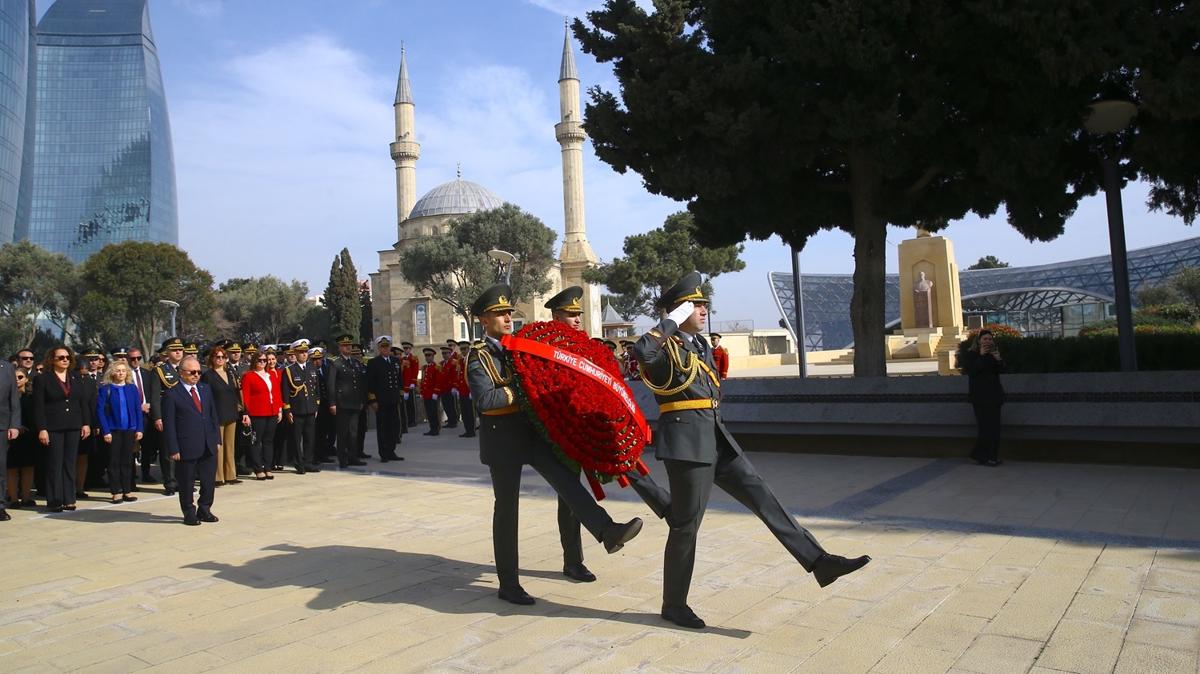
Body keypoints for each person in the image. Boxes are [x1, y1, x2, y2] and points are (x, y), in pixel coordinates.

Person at [634, 272, 870, 629]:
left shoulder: (699, 346)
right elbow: (642, 351)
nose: (703, 310)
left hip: (717, 438)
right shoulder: (665, 345)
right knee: (686, 526)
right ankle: (674, 603)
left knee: (764, 498)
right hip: (688, 445)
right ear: (678, 311)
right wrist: (670, 320)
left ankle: (819, 561)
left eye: (703, 304)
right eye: (695, 306)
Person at [468, 284, 644, 605]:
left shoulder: (521, 347)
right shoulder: (479, 355)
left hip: (532, 435)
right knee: (507, 510)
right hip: (502, 439)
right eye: (499, 314)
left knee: (568, 484)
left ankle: (607, 532)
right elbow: (486, 400)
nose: (508, 318)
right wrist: (524, 391)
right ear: (483, 319)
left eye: (509, 312)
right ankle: (509, 583)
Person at [545, 286, 673, 582]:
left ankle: (666, 506)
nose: (577, 319)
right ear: (556, 315)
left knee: (625, 456)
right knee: (570, 496)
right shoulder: (549, 345)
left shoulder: (585, 343)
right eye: (570, 314)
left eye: (579, 314)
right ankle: (573, 561)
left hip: (593, 421)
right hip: (565, 428)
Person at [32, 345, 92, 512]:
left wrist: (86, 423)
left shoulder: (75, 377)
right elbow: (38, 407)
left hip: (73, 425)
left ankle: (69, 498)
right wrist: (42, 428)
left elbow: (82, 402)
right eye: (60, 357)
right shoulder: (43, 379)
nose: (65, 360)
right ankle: (54, 499)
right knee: (54, 463)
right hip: (53, 427)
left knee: (69, 463)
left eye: (67, 357)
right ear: (52, 359)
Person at [162, 356, 221, 525]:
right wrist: (173, 449)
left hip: (208, 443)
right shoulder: (172, 394)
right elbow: (170, 425)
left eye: (198, 372)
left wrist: (216, 438)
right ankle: (189, 512)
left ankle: (205, 509)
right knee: (187, 482)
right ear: (181, 373)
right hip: (186, 445)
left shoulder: (205, 389)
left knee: (209, 481)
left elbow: (212, 416)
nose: (196, 375)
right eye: (192, 372)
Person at [95, 360, 143, 503]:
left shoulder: (132, 388)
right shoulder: (106, 389)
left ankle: (127, 490)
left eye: (123, 370)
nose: (121, 373)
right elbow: (100, 411)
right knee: (114, 461)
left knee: (127, 461)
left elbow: (137, 409)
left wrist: (139, 428)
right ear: (112, 373)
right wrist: (106, 431)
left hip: (129, 429)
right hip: (113, 430)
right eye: (118, 370)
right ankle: (115, 491)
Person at [201, 347, 247, 485]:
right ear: (212, 359)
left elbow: (237, 392)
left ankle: (230, 475)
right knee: (218, 447)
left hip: (231, 413)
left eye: (222, 357)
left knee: (230, 446)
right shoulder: (208, 375)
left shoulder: (230, 372)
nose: (220, 360)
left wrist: (243, 411)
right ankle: (218, 476)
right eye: (217, 357)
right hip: (217, 415)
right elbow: (205, 397)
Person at [961, 329, 1006, 467]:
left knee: (995, 429)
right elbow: (971, 371)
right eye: (985, 339)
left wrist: (998, 360)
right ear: (979, 341)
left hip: (994, 396)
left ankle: (991, 456)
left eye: (990, 339)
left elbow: (1002, 370)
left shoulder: (994, 355)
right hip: (980, 397)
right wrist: (980, 356)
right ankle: (982, 455)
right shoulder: (971, 355)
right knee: (985, 428)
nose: (987, 341)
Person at [146, 337, 185, 495]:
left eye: (180, 349)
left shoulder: (187, 368)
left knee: (183, 448)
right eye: (175, 350)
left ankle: (181, 480)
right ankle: (169, 482)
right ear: (168, 352)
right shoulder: (160, 370)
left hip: (183, 415)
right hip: (167, 414)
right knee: (168, 450)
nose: (178, 352)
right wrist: (157, 417)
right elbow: (155, 396)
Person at [281, 339, 322, 474]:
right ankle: (299, 463)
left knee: (310, 437)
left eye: (305, 352)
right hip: (296, 409)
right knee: (296, 438)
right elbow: (286, 391)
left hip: (310, 408)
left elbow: (316, 389)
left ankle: (308, 462)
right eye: (301, 352)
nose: (304, 354)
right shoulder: (289, 370)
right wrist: (287, 409)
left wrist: (316, 405)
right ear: (295, 353)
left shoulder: (312, 367)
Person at [327, 335, 367, 468]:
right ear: (339, 348)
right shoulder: (336, 363)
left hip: (354, 402)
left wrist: (361, 400)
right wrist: (332, 403)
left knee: (353, 433)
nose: (348, 347)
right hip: (342, 404)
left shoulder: (355, 363)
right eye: (345, 345)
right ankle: (342, 459)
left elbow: (359, 383)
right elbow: (331, 385)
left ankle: (352, 457)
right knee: (343, 433)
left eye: (349, 345)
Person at [241, 349, 282, 480]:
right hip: (257, 413)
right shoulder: (249, 376)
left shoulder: (271, 375)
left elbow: (276, 393)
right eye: (260, 360)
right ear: (255, 361)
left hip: (272, 411)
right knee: (256, 441)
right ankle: (258, 468)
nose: (263, 363)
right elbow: (245, 396)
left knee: (269, 441)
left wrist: (279, 409)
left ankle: (268, 467)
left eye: (265, 360)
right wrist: (246, 413)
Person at [366, 336, 404, 461]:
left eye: (387, 346)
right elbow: (370, 383)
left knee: (393, 426)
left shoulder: (395, 361)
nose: (385, 349)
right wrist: (373, 400)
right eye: (383, 346)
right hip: (381, 401)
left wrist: (400, 394)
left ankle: (391, 451)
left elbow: (399, 379)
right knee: (383, 428)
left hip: (393, 399)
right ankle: (384, 453)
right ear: (378, 348)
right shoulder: (374, 363)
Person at [7, 369, 36, 510]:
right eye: (15, 377)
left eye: (20, 377)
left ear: (26, 379)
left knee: (28, 467)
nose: (17, 379)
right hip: (10, 436)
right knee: (11, 468)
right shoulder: (5, 396)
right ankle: (13, 499)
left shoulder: (31, 397)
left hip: (28, 437)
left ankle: (26, 497)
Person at [0, 354, 21, 520]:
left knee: (1, 468)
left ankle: (0, 505)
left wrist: (14, 425)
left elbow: (13, 398)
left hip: (2, 425)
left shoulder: (6, 368)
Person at [419, 347, 442, 436]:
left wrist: (436, 392)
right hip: (426, 394)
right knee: (428, 412)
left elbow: (438, 381)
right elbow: (423, 380)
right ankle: (432, 428)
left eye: (429, 355)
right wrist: (421, 392)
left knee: (434, 412)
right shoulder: (425, 368)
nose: (427, 357)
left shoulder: (437, 367)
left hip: (433, 394)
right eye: (426, 355)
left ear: (433, 356)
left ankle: (436, 428)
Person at [455, 341, 475, 438]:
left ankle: (471, 430)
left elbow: (473, 376)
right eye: (461, 349)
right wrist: (458, 389)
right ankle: (467, 430)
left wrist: (472, 390)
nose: (463, 351)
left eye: (465, 349)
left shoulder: (471, 360)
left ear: (468, 349)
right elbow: (459, 376)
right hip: (462, 390)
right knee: (464, 412)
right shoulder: (460, 360)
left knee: (470, 411)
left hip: (469, 390)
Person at [440, 341, 461, 429]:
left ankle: (453, 421)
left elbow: (455, 375)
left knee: (451, 405)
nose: (444, 355)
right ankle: (450, 420)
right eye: (443, 353)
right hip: (444, 388)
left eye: (446, 353)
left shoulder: (453, 362)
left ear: (450, 353)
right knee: (446, 405)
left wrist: (455, 386)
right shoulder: (443, 363)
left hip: (450, 388)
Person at [400, 341, 420, 427]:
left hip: (410, 384)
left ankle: (413, 420)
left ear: (410, 349)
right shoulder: (403, 359)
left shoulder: (414, 358)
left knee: (411, 403)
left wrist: (413, 382)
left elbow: (415, 371)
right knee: (406, 404)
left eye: (407, 348)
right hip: (405, 384)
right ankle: (408, 420)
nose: (406, 350)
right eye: (404, 348)